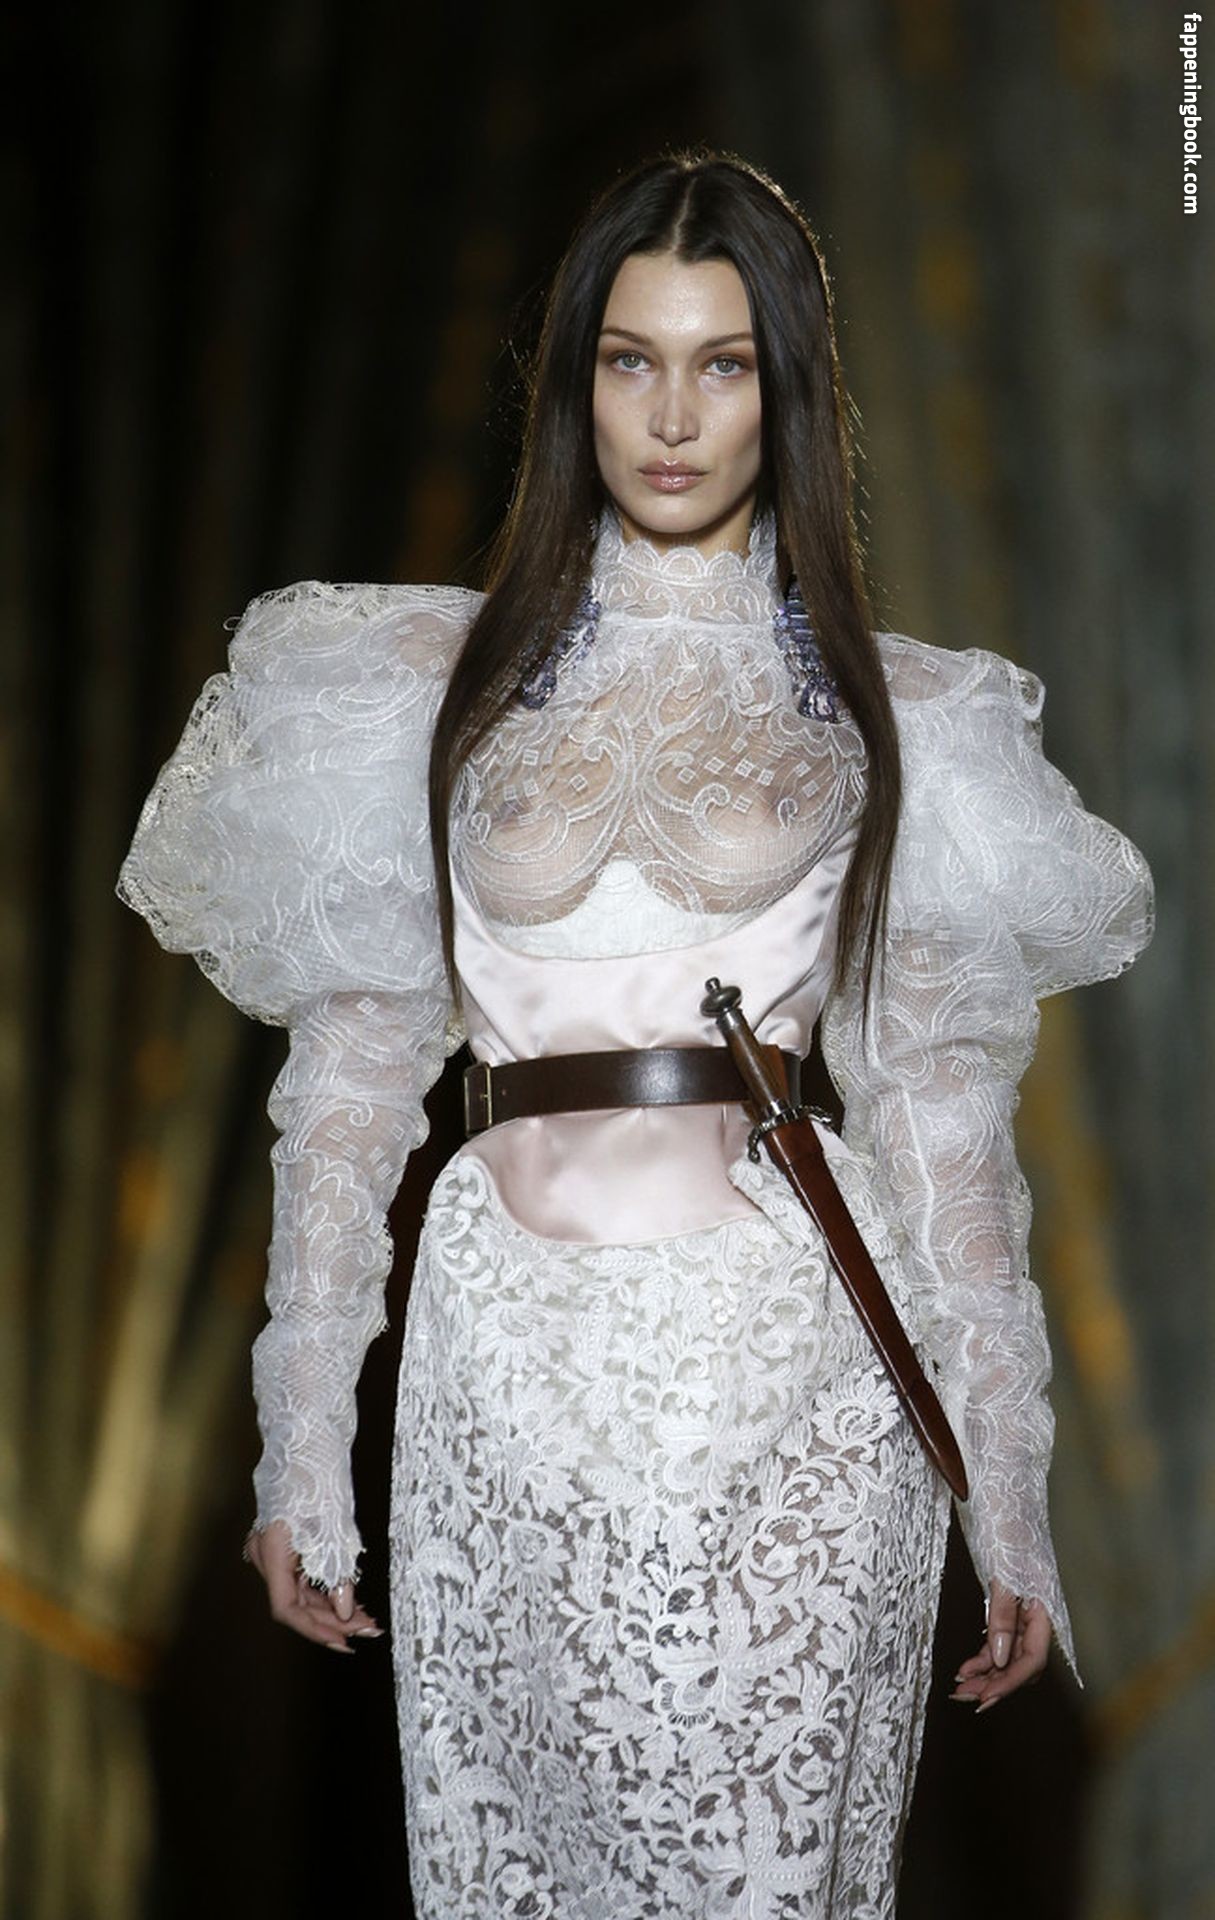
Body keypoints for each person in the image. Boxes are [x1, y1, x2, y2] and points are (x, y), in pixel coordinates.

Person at [117, 151, 1153, 1916]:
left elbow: (941, 1126)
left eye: (723, 364)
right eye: (629, 360)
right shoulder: (421, 690)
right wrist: (302, 1449)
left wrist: (1011, 1500)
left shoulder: (899, 714)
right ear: (575, 384)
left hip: (791, 1363)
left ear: (786, 390)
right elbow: (351, 1090)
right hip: (504, 1362)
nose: (672, 416)